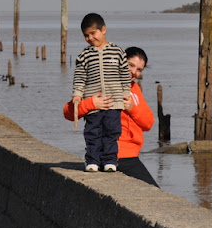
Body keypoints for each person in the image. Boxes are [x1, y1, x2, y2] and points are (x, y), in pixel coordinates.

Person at [64, 46, 159, 187]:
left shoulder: (134, 89)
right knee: (155, 194)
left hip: (129, 155)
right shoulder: (100, 83)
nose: (134, 72)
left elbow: (148, 123)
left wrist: (132, 108)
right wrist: (91, 104)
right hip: (115, 156)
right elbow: (68, 113)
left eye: (139, 70)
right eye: (131, 65)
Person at [72, 13, 131, 173]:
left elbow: (125, 74)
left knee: (111, 132)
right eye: (86, 35)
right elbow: (79, 76)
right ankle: (92, 161)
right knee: (92, 133)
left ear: (103, 30)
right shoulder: (84, 55)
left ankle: (110, 161)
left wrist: (126, 92)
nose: (90, 38)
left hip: (114, 102)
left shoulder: (118, 52)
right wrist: (77, 93)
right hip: (93, 103)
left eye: (93, 33)